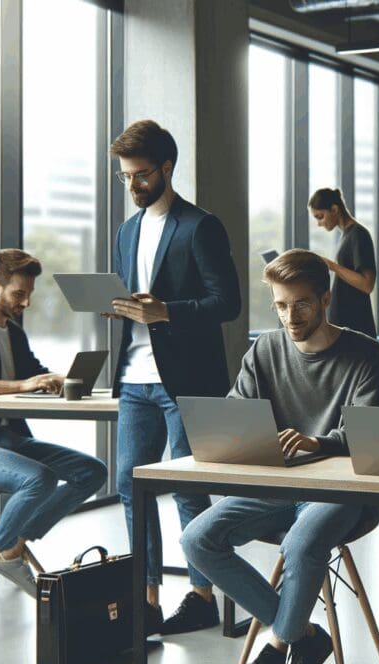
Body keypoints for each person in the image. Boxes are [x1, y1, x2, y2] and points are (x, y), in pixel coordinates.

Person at [180, 250, 379, 664]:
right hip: (276, 485)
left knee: (300, 544)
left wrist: (318, 442)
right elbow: (236, 412)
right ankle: (307, 637)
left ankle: (274, 652)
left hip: (341, 491)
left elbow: (370, 433)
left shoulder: (366, 354)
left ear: (325, 300)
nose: (290, 317)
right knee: (197, 540)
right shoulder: (264, 349)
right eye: (280, 305)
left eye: (301, 304)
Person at [107, 119, 241, 635]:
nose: (133, 185)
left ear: (166, 168)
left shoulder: (200, 226)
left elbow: (226, 303)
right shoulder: (126, 231)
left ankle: (202, 595)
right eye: (125, 176)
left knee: (187, 488)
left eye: (141, 174)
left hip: (185, 380)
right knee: (130, 486)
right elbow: (134, 298)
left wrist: (166, 312)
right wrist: (119, 307)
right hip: (134, 378)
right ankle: (146, 599)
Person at [0, 249, 107, 609]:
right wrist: (22, 385)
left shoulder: (14, 334)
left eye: (29, 294)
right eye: (18, 294)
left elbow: (33, 372)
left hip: (9, 439)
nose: (25, 302)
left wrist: (57, 378)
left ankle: (10, 548)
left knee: (92, 471)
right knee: (39, 478)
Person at [309, 188, 377, 338]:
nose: (319, 224)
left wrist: (332, 265)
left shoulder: (359, 235)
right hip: (343, 325)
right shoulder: (345, 236)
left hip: (355, 326)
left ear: (334, 209)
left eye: (320, 217)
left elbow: (367, 285)